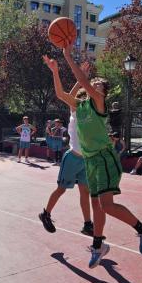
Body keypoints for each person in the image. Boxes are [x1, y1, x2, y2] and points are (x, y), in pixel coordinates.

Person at [43, 47, 142, 269]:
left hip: (104, 158)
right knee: (98, 207)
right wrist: (55, 71)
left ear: (103, 91)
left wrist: (67, 57)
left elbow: (82, 81)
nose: (94, 85)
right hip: (90, 161)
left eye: (98, 85)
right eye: (93, 84)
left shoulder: (99, 104)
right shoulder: (80, 106)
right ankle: (98, 245)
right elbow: (60, 95)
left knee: (107, 206)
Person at [39, 75, 95, 238]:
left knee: (85, 192)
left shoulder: (92, 115)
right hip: (72, 158)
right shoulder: (75, 111)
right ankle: (46, 214)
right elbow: (69, 95)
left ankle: (87, 224)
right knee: (61, 189)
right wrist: (80, 80)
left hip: (86, 160)